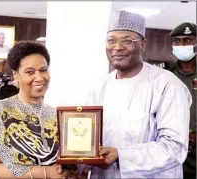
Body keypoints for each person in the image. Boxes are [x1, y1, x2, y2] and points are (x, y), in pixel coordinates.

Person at [83, 10, 192, 178]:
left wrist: (121, 155)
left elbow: (175, 147)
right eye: (111, 40)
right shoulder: (99, 87)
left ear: (142, 43)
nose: (117, 47)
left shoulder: (168, 85)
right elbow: (87, 137)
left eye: (127, 40)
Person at [0, 41, 85, 179]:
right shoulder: (1, 110)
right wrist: (46, 172)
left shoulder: (56, 115)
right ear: (16, 75)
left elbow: (68, 162)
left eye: (43, 70)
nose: (39, 78)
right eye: (30, 72)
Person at [169, 22, 196, 179]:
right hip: (171, 152)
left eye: (187, 40)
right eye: (177, 41)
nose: (181, 44)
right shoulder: (165, 74)